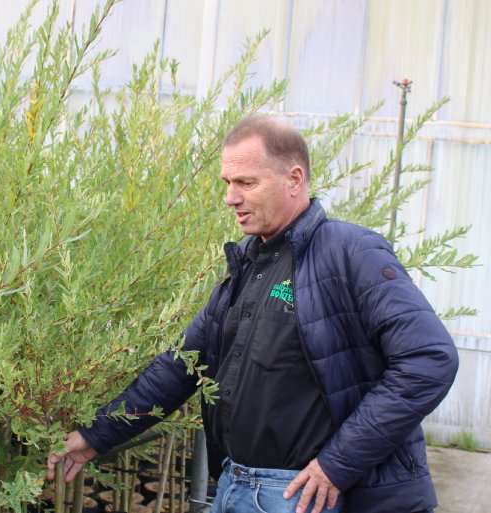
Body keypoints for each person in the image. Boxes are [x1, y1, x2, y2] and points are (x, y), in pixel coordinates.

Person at [47, 116, 459, 513]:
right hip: (236, 484)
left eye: (246, 182)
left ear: (294, 179)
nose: (231, 197)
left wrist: (338, 463)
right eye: (228, 183)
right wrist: (96, 436)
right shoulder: (249, 264)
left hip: (303, 493)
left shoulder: (350, 252)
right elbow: (180, 367)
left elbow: (429, 359)